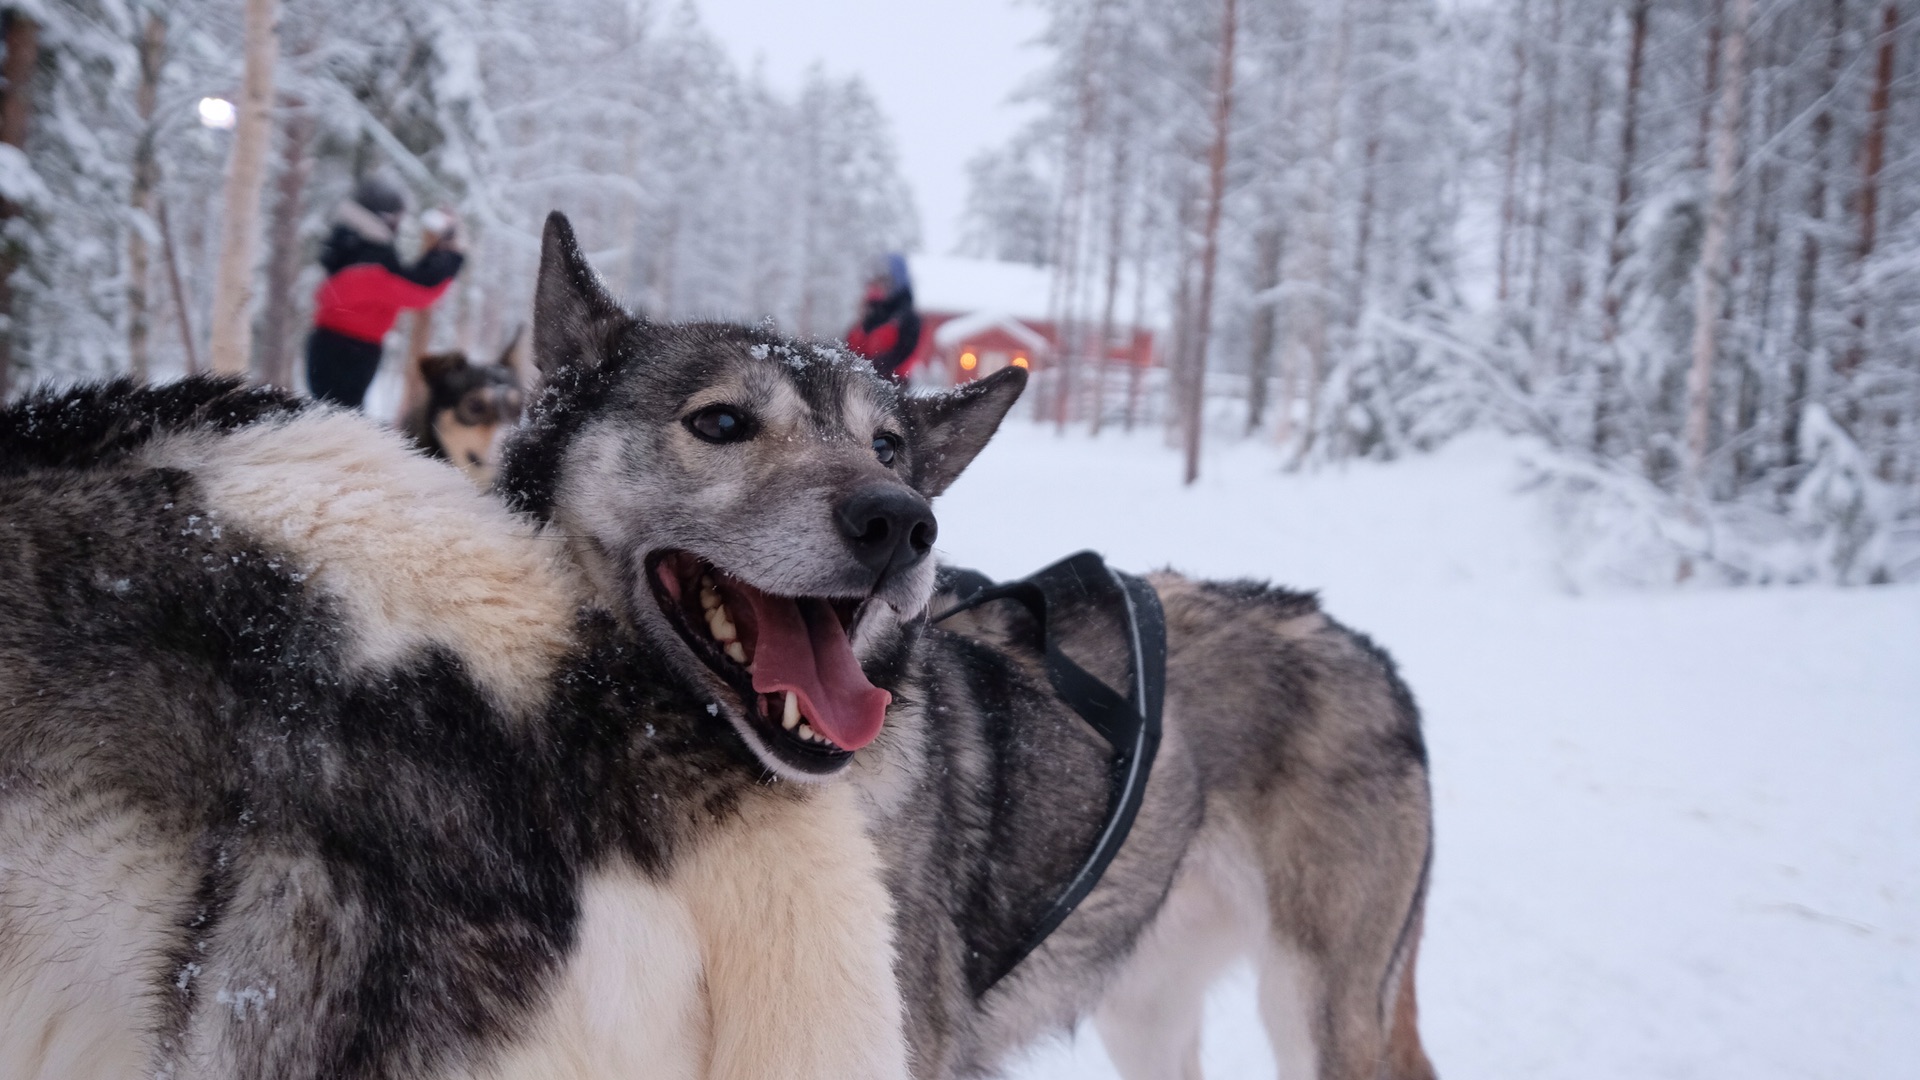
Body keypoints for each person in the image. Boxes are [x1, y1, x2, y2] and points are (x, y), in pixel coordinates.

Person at [305, 177, 465, 409]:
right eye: (397, 219)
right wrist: (451, 254)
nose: (399, 226)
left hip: (336, 347)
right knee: (340, 424)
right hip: (349, 352)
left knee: (332, 419)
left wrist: (440, 254)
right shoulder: (370, 257)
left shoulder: (352, 244)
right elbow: (419, 289)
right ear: (384, 217)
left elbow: (404, 280)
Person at [843, 253, 922, 383]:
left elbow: (901, 353)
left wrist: (867, 367)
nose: (876, 285)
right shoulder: (868, 315)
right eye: (874, 280)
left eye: (884, 280)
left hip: (895, 389)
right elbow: (849, 347)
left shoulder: (907, 318)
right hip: (859, 386)